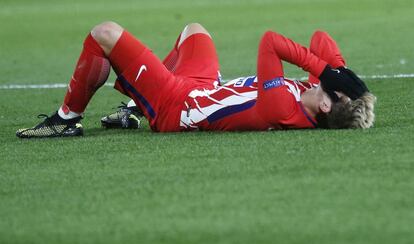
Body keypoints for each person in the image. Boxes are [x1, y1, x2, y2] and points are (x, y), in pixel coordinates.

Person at [16, 22, 376, 138]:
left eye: (331, 84)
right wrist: (340, 72)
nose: (325, 78)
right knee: (194, 31)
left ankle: (65, 120)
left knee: (104, 34)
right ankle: (131, 106)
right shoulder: (318, 99)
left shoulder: (283, 108)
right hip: (204, 87)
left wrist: (330, 73)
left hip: (178, 105)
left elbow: (270, 42)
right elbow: (321, 38)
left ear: (328, 104)